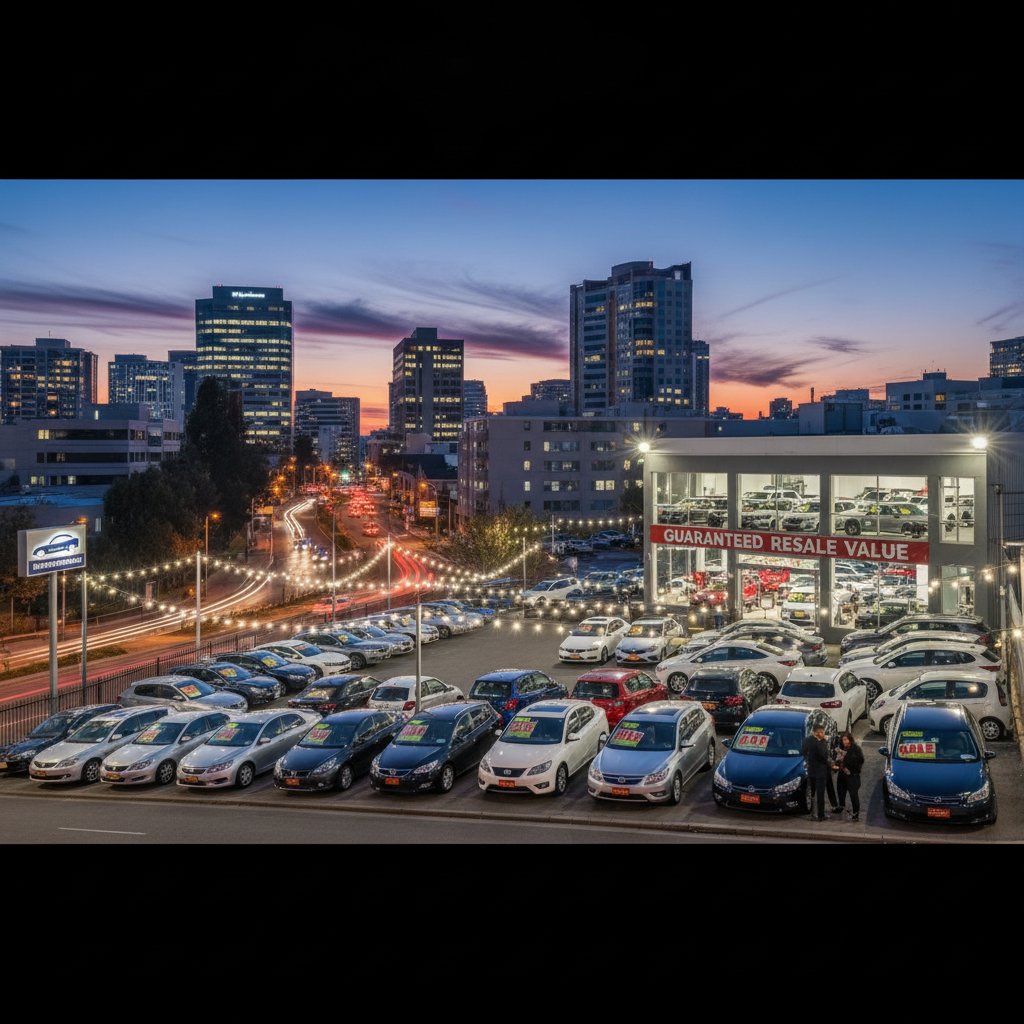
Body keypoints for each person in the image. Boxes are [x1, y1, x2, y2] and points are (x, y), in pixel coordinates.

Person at [801, 722, 835, 821]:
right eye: (822, 732)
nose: (823, 733)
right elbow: (824, 756)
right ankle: (820, 815)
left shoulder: (807, 740)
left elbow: (803, 751)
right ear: (817, 733)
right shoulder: (820, 743)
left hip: (811, 771)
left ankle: (812, 813)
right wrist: (824, 741)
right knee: (820, 794)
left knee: (812, 793)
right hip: (821, 772)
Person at [833, 730, 865, 821]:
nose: (845, 741)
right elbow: (837, 761)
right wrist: (837, 764)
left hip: (852, 776)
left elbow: (861, 761)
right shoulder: (841, 749)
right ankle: (841, 806)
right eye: (843, 740)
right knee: (840, 791)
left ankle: (856, 813)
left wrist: (849, 765)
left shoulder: (856, 749)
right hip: (842, 774)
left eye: (846, 739)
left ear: (850, 739)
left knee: (853, 795)